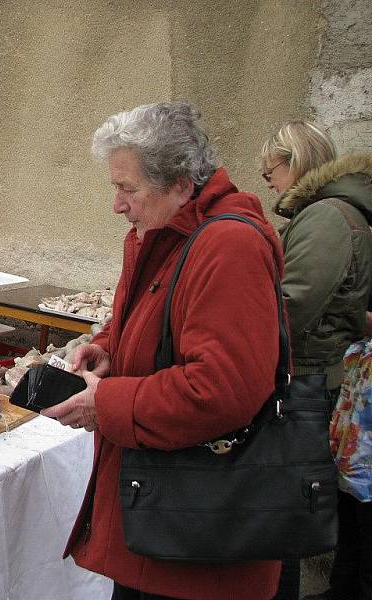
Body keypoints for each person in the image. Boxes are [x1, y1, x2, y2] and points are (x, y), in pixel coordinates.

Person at [42, 101, 285, 599]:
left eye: (127, 188)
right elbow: (156, 324)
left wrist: (103, 403)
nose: (117, 204)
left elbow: (218, 391)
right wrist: (108, 348)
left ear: (179, 183)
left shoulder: (227, 248)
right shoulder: (161, 233)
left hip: (199, 542)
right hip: (161, 521)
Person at [260, 121, 372, 600]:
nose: (267, 178)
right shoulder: (334, 212)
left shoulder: (326, 216)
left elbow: (292, 306)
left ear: (298, 159)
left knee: (282, 511)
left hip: (308, 376)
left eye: (273, 167)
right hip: (320, 372)